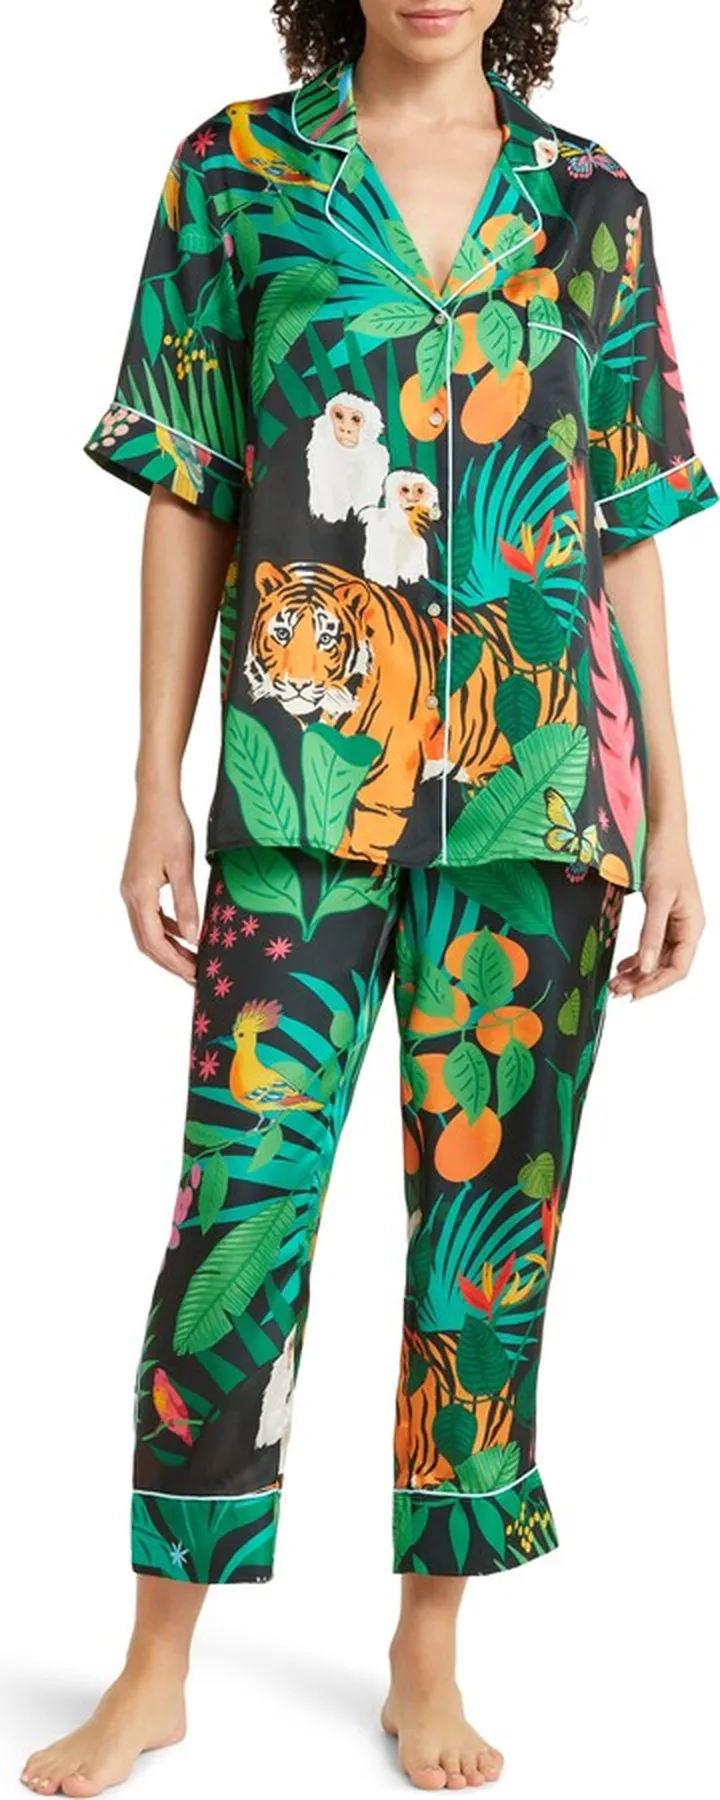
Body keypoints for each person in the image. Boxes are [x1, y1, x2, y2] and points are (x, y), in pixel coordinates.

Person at [22, 0, 717, 1793]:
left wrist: (673, 816)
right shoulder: (236, 177)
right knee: (239, 1212)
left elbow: (625, 525)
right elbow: (188, 490)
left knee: (489, 1232)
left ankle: (427, 1652)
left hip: (542, 799)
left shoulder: (594, 202)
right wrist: (154, 780)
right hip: (299, 786)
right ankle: (157, 1661)